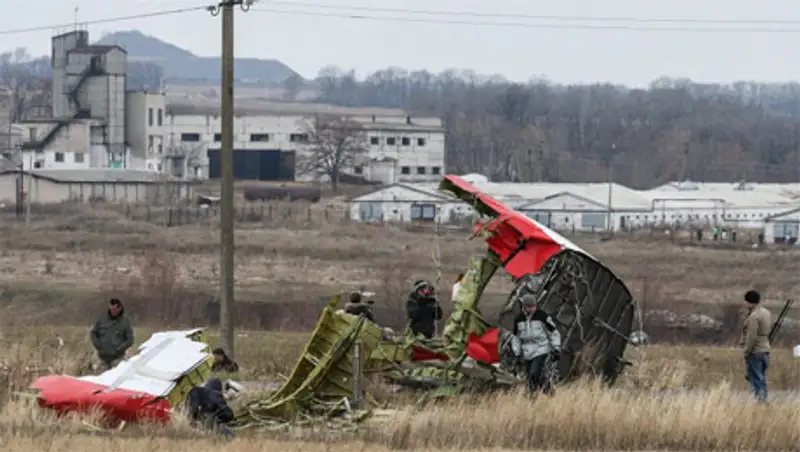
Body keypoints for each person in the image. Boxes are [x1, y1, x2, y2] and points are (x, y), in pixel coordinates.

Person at [511, 294, 561, 395]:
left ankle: (531, 396)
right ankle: (549, 391)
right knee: (532, 376)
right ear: (524, 307)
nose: (532, 309)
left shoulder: (543, 317)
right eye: (530, 307)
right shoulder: (518, 319)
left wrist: (556, 348)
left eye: (534, 306)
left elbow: (554, 332)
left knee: (534, 372)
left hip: (541, 349)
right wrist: (517, 354)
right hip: (527, 352)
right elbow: (516, 338)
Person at [741, 289, 771, 403]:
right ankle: (763, 400)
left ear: (749, 302)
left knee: (756, 379)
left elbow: (751, 336)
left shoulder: (754, 316)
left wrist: (747, 351)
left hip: (756, 351)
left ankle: (760, 402)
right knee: (762, 378)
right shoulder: (766, 312)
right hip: (765, 349)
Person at [90, 298, 134, 371]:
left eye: (115, 309)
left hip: (117, 360)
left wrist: (118, 349)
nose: (112, 311)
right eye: (111, 309)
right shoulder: (102, 319)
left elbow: (130, 340)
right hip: (102, 359)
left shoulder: (125, 321)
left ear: (120, 308)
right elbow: (93, 333)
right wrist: (98, 345)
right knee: (101, 380)